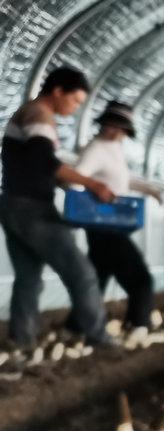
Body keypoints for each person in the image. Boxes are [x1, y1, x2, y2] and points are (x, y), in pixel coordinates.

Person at [0, 66, 115, 346]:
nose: (75, 108)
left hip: (13, 205)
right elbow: (45, 161)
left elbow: (34, 164)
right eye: (74, 100)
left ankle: (21, 341)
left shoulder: (30, 114)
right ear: (58, 91)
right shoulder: (39, 114)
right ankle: (99, 338)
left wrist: (67, 184)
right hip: (33, 209)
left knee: (29, 278)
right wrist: (92, 184)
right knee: (82, 274)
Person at [75, 101, 162, 332]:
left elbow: (119, 179)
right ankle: (138, 325)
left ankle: (78, 327)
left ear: (126, 131)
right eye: (110, 125)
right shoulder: (96, 149)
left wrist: (148, 189)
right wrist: (92, 193)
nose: (114, 131)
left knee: (97, 278)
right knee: (141, 279)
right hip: (104, 224)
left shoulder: (114, 148)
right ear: (102, 124)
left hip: (110, 223)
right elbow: (78, 177)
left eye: (120, 128)